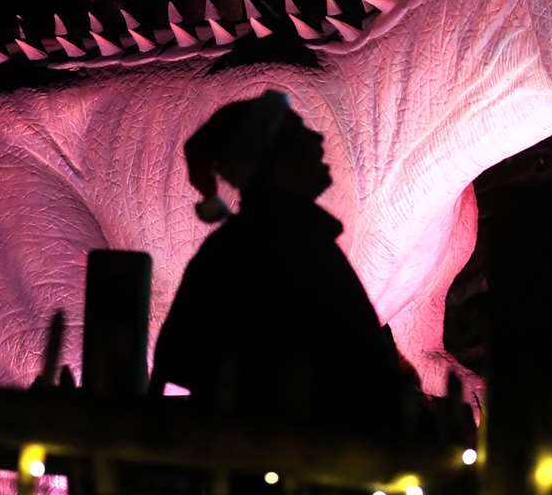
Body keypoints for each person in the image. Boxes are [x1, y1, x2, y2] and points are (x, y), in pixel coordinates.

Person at [150, 91, 410, 433]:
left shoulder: (248, 243)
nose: (316, 139)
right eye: (297, 132)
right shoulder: (286, 243)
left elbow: (175, 356)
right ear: (273, 158)